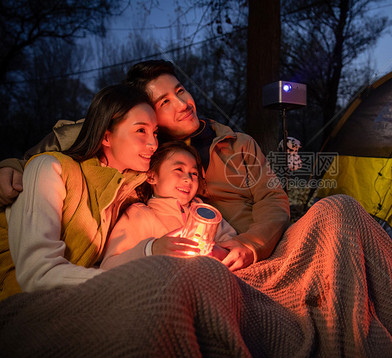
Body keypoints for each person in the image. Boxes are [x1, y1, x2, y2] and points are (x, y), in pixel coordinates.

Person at [0, 59, 290, 271]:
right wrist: (11, 165)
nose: (182, 104)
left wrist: (251, 245)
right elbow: (87, 132)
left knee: (331, 212)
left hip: (254, 246)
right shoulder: (149, 150)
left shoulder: (238, 143)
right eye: (165, 102)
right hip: (189, 258)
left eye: (180, 91)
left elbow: (273, 198)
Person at [0, 84, 168, 300]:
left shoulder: (122, 196)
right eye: (140, 130)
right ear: (106, 137)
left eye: (155, 132)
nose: (153, 143)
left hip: (63, 303)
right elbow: (37, 273)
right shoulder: (50, 169)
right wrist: (129, 284)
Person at [100, 141, 236, 270]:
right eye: (178, 169)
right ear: (152, 177)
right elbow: (108, 265)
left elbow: (233, 246)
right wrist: (151, 249)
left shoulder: (204, 213)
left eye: (194, 173)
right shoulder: (141, 216)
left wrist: (217, 253)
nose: (188, 179)